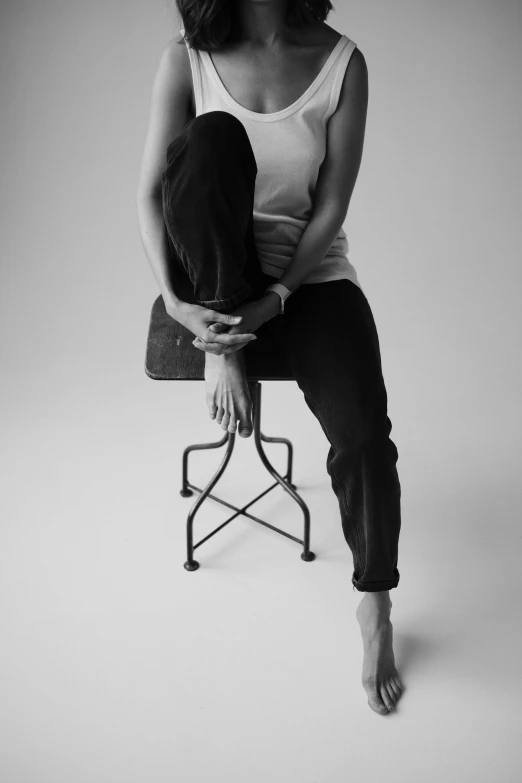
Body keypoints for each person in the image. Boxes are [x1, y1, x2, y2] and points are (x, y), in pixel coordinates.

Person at [136, 0, 405, 715]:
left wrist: (279, 294)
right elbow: (151, 196)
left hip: (306, 280)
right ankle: (228, 355)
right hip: (211, 282)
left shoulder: (342, 63)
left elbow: (331, 204)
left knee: (365, 439)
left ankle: (375, 604)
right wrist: (179, 302)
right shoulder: (185, 58)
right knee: (215, 136)